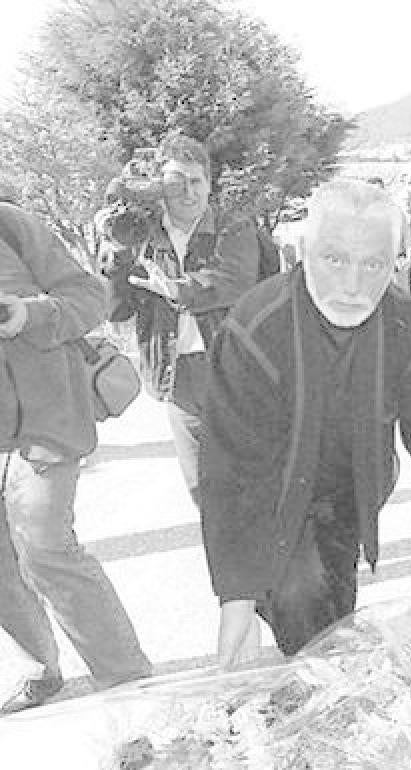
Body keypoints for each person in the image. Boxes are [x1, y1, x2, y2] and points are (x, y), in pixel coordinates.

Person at [197, 179, 411, 667]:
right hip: (269, 491)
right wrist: (237, 599)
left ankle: (328, 697)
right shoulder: (254, 330)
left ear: (395, 263)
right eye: (335, 259)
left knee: (334, 618)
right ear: (303, 252)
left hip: (349, 493)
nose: (353, 285)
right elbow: (228, 471)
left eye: (373, 264)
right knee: (301, 602)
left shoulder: (407, 328)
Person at [0, 202, 151, 713]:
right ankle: (41, 669)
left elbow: (90, 296)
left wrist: (32, 314)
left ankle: (128, 684)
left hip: (47, 421)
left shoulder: (10, 225)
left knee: (45, 548)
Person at [104, 133, 259, 506]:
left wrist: (177, 289)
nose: (188, 192)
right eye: (175, 182)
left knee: (248, 480)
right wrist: (116, 257)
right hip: (177, 374)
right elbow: (116, 310)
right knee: (202, 491)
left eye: (196, 181)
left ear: (209, 184)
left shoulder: (233, 226)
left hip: (234, 368)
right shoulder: (142, 235)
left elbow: (233, 280)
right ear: (159, 188)